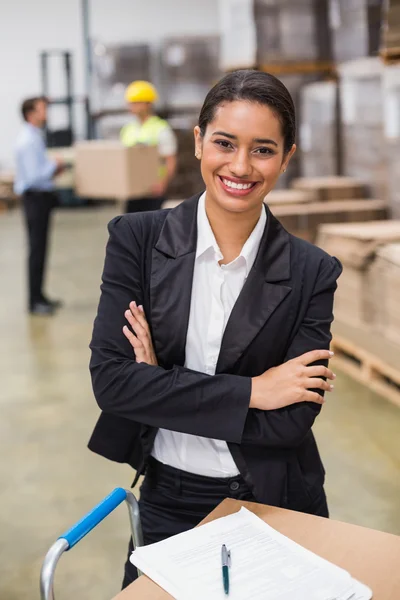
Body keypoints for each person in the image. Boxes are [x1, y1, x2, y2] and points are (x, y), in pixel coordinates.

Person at [88, 69, 342, 588]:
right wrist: (255, 391)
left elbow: (289, 424)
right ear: (199, 140)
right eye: (225, 143)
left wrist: (159, 387)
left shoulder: (313, 272)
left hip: (275, 499)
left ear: (287, 156)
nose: (241, 166)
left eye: (264, 150)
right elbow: (112, 384)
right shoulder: (137, 241)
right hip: (167, 499)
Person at [14, 96, 65, 315]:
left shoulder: (34, 137)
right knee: (36, 250)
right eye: (42, 109)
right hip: (35, 197)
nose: (46, 114)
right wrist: (55, 164)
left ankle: (40, 295)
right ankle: (34, 301)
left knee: (41, 248)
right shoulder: (28, 140)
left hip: (40, 197)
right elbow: (35, 175)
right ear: (30, 113)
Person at [120, 80, 177, 213]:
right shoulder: (128, 129)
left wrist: (162, 184)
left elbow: (170, 160)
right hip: (132, 192)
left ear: (148, 104)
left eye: (136, 102)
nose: (131, 106)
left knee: (154, 229)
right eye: (130, 103)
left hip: (153, 191)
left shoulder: (161, 129)